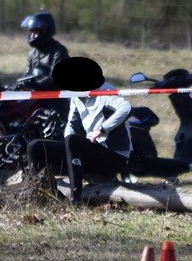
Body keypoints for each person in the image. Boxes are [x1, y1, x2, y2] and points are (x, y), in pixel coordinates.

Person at [26, 56, 132, 204]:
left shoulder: (104, 91)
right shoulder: (76, 96)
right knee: (34, 146)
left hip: (114, 157)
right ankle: (47, 194)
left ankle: (75, 197)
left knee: (73, 140)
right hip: (92, 152)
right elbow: (71, 124)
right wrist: (66, 145)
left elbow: (126, 108)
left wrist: (102, 130)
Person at [14, 11, 69, 91]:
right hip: (35, 98)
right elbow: (27, 75)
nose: (32, 36)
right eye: (31, 32)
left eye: (35, 32)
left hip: (56, 99)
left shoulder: (59, 51)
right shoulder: (32, 54)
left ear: (45, 32)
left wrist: (34, 84)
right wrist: (18, 84)